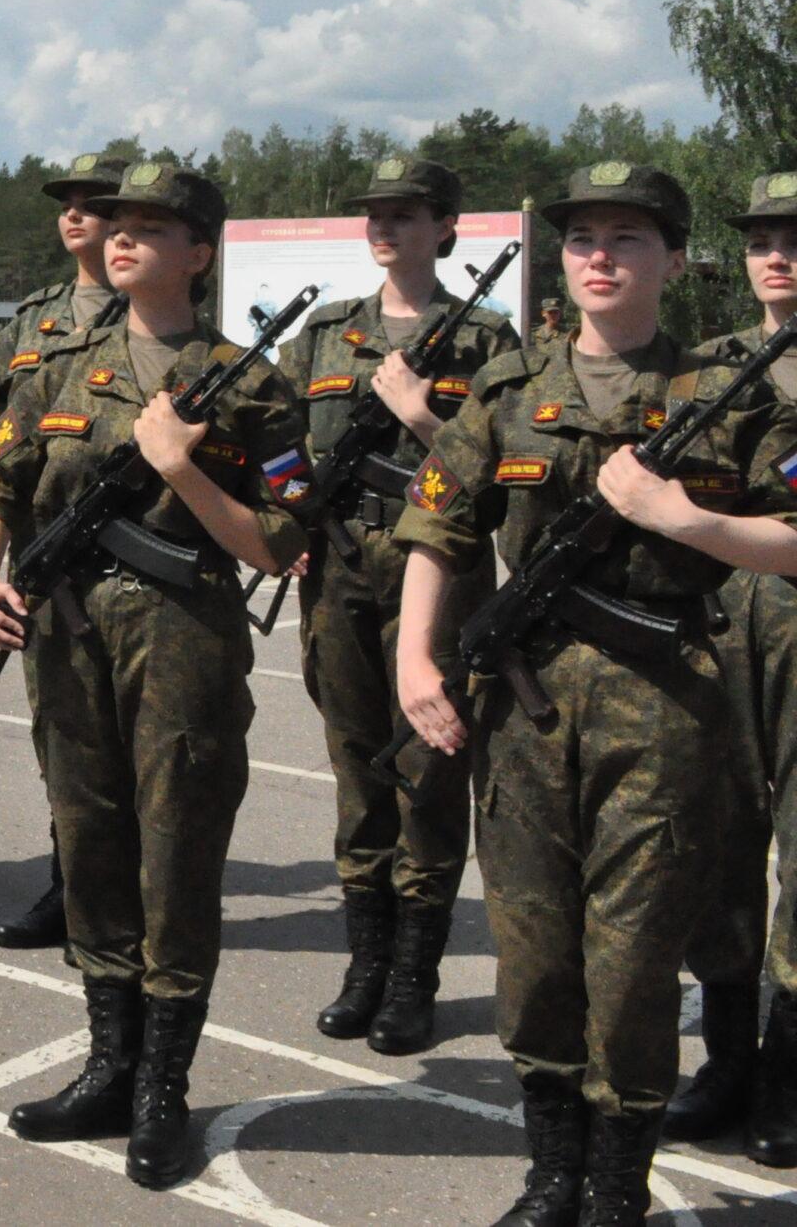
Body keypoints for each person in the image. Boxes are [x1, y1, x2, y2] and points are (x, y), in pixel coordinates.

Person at [395, 161, 797, 1224]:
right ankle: (551, 1168)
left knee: (630, 965)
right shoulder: (509, 390)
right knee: (530, 957)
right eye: (581, 240)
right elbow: (438, 529)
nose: (601, 257)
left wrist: (686, 520)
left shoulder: (727, 399)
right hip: (520, 716)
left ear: (671, 257)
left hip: (663, 717)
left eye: (627, 237)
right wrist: (413, 662)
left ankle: (618, 1181)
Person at [0, 160, 314, 1191]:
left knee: (174, 855)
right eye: (116, 223)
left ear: (198, 252)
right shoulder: (61, 358)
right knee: (91, 841)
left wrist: (179, 468)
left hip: (181, 639)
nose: (121, 237)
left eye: (151, 226)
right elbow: (3, 475)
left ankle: (163, 1087)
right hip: (68, 636)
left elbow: (278, 545)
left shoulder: (247, 382)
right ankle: (107, 1064)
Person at [276, 158, 516, 1054]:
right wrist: (285, 521)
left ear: (444, 227)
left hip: (437, 574)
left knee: (429, 770)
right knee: (357, 768)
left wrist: (423, 421)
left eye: (405, 215)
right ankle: (364, 964)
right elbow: (284, 452)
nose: (385, 228)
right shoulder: (327, 334)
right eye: (376, 214)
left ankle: (414, 976)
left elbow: (502, 488)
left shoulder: (491, 344)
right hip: (337, 570)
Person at [0, 151, 129, 948]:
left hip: (127, 563)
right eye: (67, 203)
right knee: (61, 733)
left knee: (135, 745)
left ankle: (121, 897)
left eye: (93, 204)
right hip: (41, 552)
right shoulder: (33, 317)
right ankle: (71, 886)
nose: (75, 215)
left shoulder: (153, 312)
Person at [659, 171, 797, 1159]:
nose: (775, 255)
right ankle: (727, 1058)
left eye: (792, 237)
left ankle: (789, 1070)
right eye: (758, 239)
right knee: (717, 850)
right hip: (717, 627)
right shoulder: (705, 369)